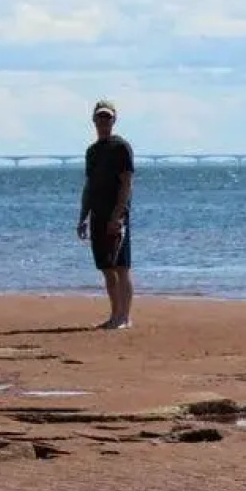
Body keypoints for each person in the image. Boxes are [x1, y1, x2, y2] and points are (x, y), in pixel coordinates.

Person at [76, 99, 135, 330]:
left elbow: (127, 183)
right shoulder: (92, 152)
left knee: (121, 267)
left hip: (116, 216)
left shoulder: (121, 147)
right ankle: (114, 314)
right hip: (97, 215)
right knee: (106, 268)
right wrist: (83, 216)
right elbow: (89, 185)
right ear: (93, 120)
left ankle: (125, 317)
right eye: (100, 117)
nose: (103, 121)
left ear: (114, 120)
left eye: (107, 117)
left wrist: (118, 215)